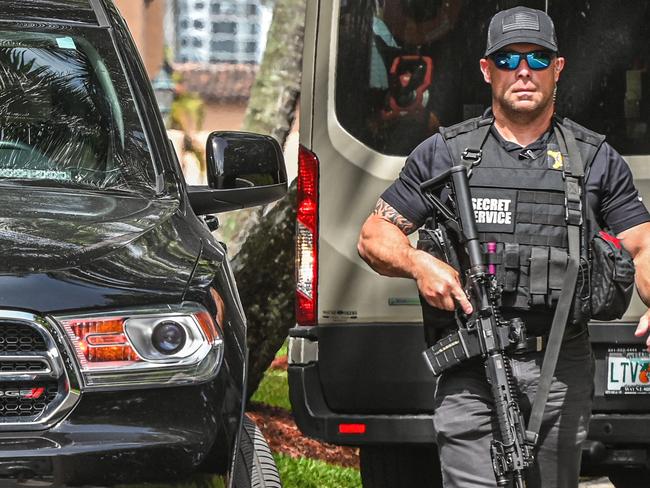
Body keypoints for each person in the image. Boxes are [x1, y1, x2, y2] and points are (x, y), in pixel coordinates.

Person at [357, 6, 650, 488]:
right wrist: (418, 263)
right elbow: (373, 235)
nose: (523, 71)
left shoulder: (594, 159)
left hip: (559, 367)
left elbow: (641, 246)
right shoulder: (447, 153)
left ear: (557, 68)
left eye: (537, 59)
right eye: (508, 59)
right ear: (486, 69)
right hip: (472, 365)